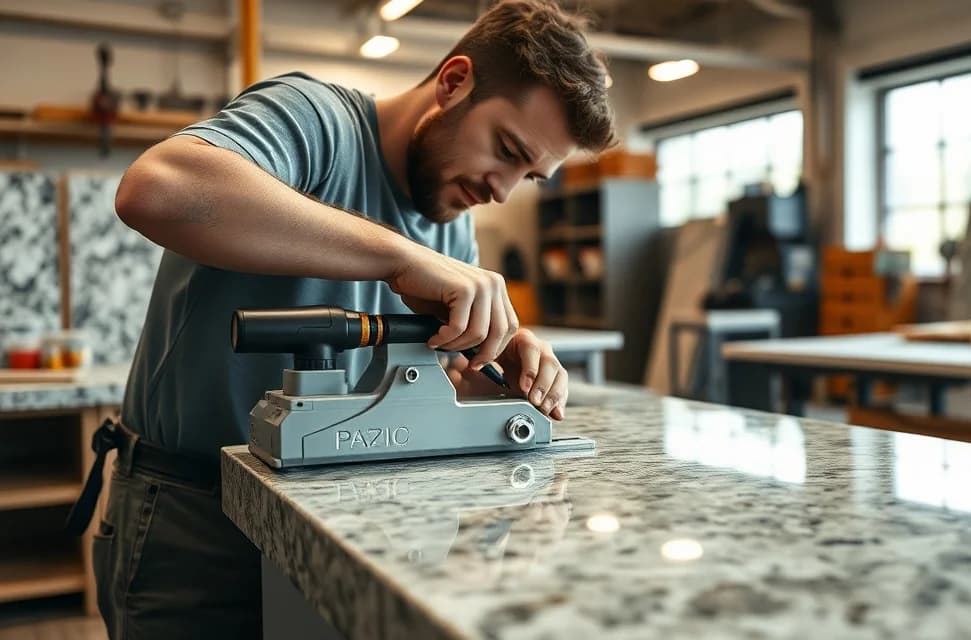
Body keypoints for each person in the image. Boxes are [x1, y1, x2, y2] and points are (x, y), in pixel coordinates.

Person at [77, 0, 615, 637]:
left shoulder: (452, 222)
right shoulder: (316, 118)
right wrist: (398, 258)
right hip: (196, 518)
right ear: (453, 81)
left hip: (337, 520)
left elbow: (431, 380)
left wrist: (499, 364)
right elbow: (156, 190)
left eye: (529, 176)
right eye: (507, 150)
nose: (502, 189)